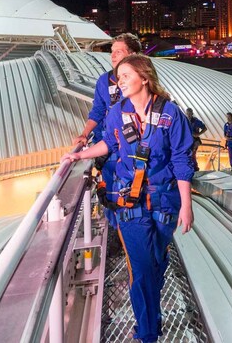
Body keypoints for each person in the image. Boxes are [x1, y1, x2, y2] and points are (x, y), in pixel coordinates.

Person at [63, 54, 194, 343]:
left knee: (156, 263)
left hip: (164, 203)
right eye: (118, 76)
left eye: (125, 76)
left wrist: (187, 205)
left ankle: (152, 319)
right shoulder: (116, 113)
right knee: (143, 269)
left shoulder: (171, 115)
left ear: (144, 78)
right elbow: (108, 144)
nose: (119, 81)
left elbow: (182, 160)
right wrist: (80, 154)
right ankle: (147, 334)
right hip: (129, 205)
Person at [74, 33, 142, 223]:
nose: (112, 56)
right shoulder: (104, 81)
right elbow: (97, 110)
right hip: (109, 147)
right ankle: (116, 228)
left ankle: (133, 227)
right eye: (112, 52)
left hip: (134, 148)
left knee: (136, 188)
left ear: (133, 54)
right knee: (111, 190)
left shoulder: (142, 81)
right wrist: (85, 134)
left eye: (118, 52)